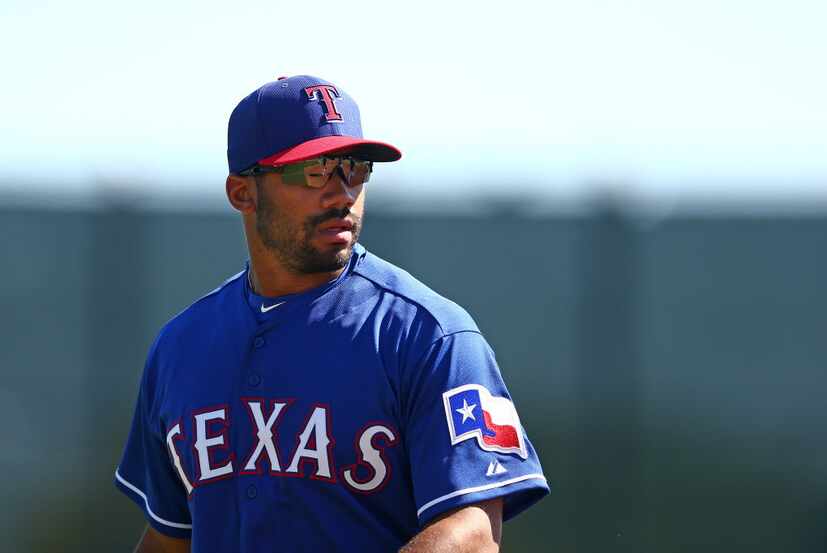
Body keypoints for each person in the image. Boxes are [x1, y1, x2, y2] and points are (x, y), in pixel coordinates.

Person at [115, 75, 549, 553]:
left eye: (355, 169)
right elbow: (170, 534)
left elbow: (472, 532)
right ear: (242, 193)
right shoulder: (181, 346)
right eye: (314, 171)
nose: (342, 192)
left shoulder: (429, 336)